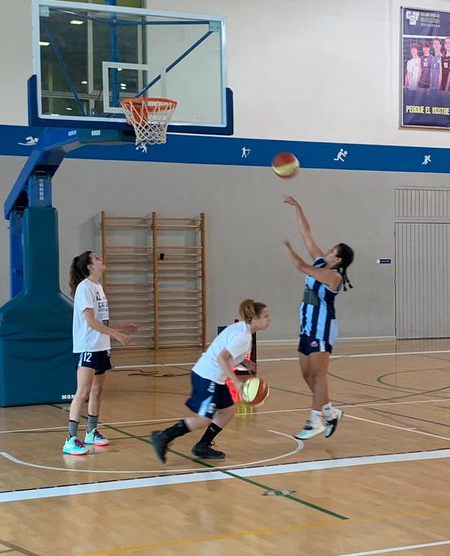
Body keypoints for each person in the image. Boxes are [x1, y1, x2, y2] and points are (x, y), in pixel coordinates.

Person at [149, 299, 271, 463]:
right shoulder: (243, 336)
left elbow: (226, 352)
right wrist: (236, 382)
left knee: (228, 410)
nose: (268, 320)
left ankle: (203, 445)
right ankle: (163, 436)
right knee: (204, 418)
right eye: (266, 316)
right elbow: (222, 358)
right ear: (254, 318)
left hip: (214, 377)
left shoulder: (241, 329)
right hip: (208, 377)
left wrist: (244, 362)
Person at [282, 195, 354, 440]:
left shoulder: (334, 277)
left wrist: (290, 250)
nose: (328, 251)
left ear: (339, 260)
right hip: (306, 325)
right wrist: (298, 207)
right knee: (306, 373)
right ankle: (329, 411)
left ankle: (316, 420)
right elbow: (307, 234)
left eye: (333, 251)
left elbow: (302, 267)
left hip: (323, 328)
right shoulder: (322, 261)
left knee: (319, 374)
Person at [65, 250, 137, 456]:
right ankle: (70, 438)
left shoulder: (98, 287)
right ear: (89, 267)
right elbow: (90, 321)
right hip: (88, 346)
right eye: (96, 258)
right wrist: (116, 335)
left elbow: (102, 320)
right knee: (83, 392)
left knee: (97, 391)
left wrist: (122, 326)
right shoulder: (84, 288)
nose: (101, 259)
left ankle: (91, 432)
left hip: (101, 346)